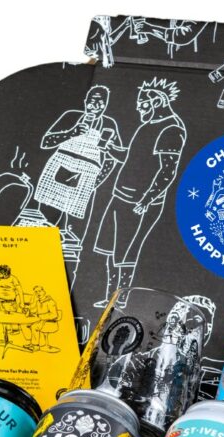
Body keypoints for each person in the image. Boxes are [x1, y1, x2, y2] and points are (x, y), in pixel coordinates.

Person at [89, 78, 186, 307]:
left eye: (143, 105)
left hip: (138, 203)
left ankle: (121, 299)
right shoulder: (148, 125)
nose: (139, 109)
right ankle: (111, 296)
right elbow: (133, 158)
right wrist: (110, 148)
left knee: (125, 253)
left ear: (157, 101)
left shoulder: (171, 129)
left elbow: (167, 170)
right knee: (111, 250)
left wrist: (146, 200)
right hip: (120, 196)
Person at [33, 86, 121, 250]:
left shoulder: (109, 125)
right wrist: (71, 133)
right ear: (85, 102)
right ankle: (41, 248)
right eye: (92, 101)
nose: (96, 106)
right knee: (48, 214)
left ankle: (66, 254)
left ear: (106, 105)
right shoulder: (71, 116)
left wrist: (97, 180)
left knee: (73, 222)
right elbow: (45, 142)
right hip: (59, 165)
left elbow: (112, 159)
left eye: (101, 102)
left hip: (87, 173)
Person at [28, 286, 60, 352]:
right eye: (36, 292)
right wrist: (33, 302)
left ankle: (35, 346)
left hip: (50, 322)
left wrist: (41, 317)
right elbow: (34, 311)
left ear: (44, 292)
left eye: (39, 291)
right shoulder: (38, 301)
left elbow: (54, 315)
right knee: (29, 325)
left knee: (34, 327)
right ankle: (33, 343)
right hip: (41, 321)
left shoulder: (50, 301)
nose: (38, 293)